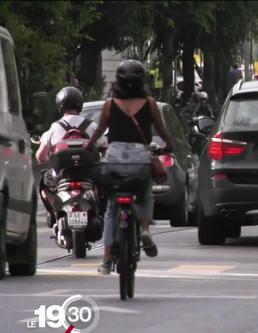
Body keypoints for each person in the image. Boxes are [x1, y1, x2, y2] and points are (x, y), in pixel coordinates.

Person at [85, 59, 174, 275]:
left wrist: (89, 146)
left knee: (112, 209)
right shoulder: (150, 103)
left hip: (114, 157)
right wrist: (169, 145)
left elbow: (98, 132)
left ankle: (106, 259)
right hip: (139, 158)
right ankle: (144, 229)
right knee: (144, 194)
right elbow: (161, 131)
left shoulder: (109, 104)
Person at [36, 87, 108, 226]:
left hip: (61, 176)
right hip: (90, 175)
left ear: (59, 105)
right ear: (79, 104)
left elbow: (40, 156)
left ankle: (54, 214)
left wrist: (52, 161)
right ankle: (101, 214)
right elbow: (104, 147)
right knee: (105, 185)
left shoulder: (54, 127)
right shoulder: (91, 125)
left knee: (43, 184)